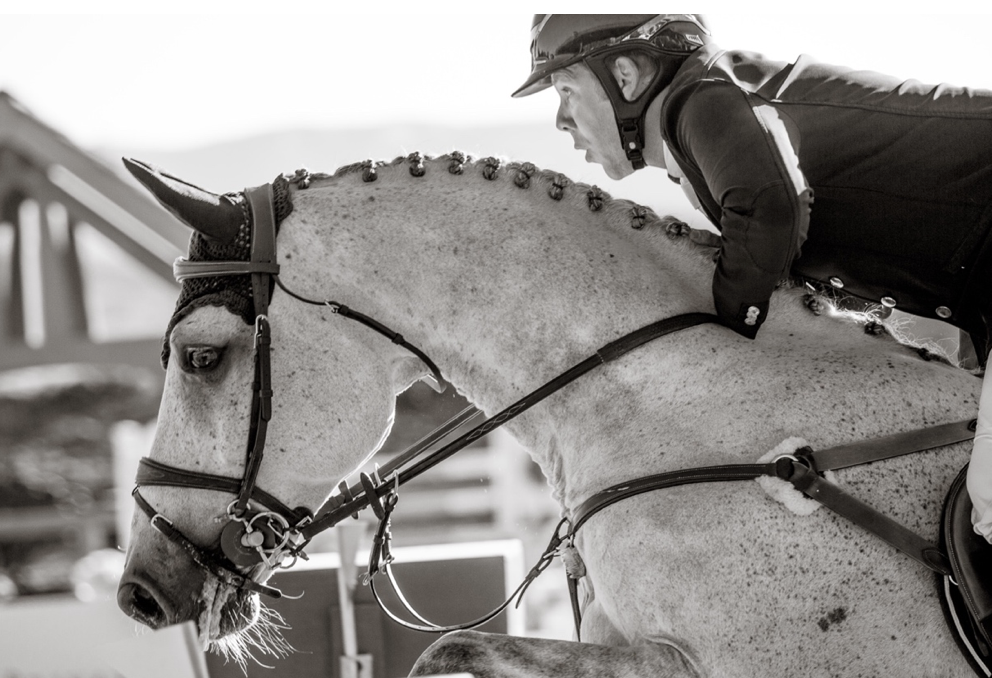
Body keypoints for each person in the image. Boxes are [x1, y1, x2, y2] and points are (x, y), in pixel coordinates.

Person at [511, 15, 992, 538]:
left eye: (565, 90)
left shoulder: (706, 97)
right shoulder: (701, 113)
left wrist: (720, 338)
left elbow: (771, 207)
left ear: (624, 76)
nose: (561, 119)